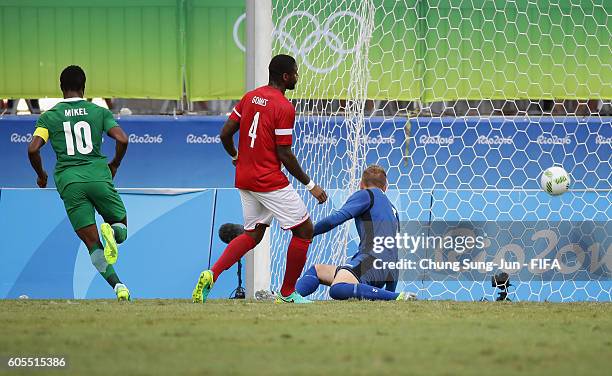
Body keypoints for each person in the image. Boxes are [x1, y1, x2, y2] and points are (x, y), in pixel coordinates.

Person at [192, 54, 328, 304]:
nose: (297, 76)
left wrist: (235, 156)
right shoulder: (284, 107)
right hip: (268, 180)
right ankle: (287, 294)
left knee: (253, 234)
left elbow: (225, 134)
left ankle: (212, 274)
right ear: (286, 77)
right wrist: (311, 185)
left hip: (244, 178)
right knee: (305, 230)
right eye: (295, 73)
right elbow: (284, 153)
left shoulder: (249, 97)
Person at [27, 65, 131, 301]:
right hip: (97, 175)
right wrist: (114, 164)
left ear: (61, 88)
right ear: (84, 87)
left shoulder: (49, 116)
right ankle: (113, 231)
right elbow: (122, 139)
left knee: (92, 243)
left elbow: (33, 148)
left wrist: (41, 174)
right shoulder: (98, 112)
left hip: (69, 182)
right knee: (121, 228)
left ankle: (119, 287)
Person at [296, 165, 416, 301]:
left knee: (338, 288)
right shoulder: (393, 209)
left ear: (361, 185)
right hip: (389, 267)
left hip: (371, 261)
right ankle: (292, 297)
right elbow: (393, 251)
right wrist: (390, 288)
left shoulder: (366, 194)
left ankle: (395, 297)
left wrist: (309, 233)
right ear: (385, 187)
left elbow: (334, 220)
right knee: (317, 271)